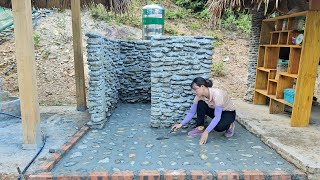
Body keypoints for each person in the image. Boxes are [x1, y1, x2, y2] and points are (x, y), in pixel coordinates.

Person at [171, 77, 236, 145]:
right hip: (215, 110)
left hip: (228, 112)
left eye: (195, 89)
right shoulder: (199, 96)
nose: (194, 92)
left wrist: (206, 132)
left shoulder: (217, 95)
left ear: (202, 86)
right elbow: (192, 112)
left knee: (218, 127)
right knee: (201, 103)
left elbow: (217, 117)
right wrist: (181, 124)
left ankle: (230, 125)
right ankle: (200, 127)